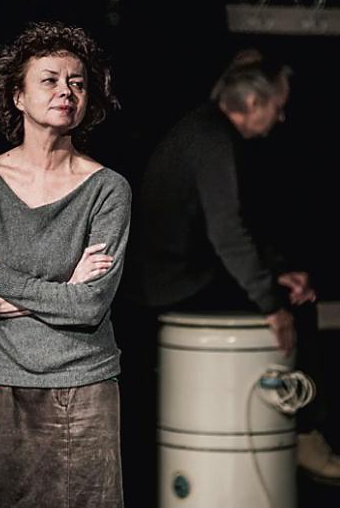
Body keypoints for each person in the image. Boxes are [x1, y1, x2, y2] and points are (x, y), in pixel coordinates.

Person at [0, 21, 131, 508]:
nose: (66, 91)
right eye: (49, 80)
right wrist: (63, 288)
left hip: (84, 387)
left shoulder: (108, 189)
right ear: (18, 96)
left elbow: (90, 305)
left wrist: (0, 276)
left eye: (77, 82)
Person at [133, 49, 340, 483]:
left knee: (286, 288)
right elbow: (227, 234)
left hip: (180, 275)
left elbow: (215, 235)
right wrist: (271, 303)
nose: (281, 117)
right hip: (176, 285)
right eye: (278, 107)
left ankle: (298, 433)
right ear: (252, 103)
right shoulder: (212, 139)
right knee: (296, 306)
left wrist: (273, 273)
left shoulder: (203, 129)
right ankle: (306, 435)